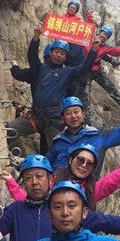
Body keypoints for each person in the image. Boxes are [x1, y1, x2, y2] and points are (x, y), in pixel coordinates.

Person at [2, 141, 120, 214]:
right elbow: (29, 199)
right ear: (71, 160)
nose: (83, 165)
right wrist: (10, 181)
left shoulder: (90, 191)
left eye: (89, 164)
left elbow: (117, 177)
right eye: (80, 160)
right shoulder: (54, 180)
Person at [7, 26, 99, 155]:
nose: (59, 55)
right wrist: (35, 38)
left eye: (62, 53)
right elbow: (32, 57)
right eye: (56, 52)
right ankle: (20, 160)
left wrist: (93, 50)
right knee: (11, 129)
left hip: (54, 121)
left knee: (55, 153)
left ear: (65, 57)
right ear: (51, 52)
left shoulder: (67, 72)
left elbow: (84, 68)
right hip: (36, 116)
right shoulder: (40, 68)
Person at [76, 25, 120, 115]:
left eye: (106, 36)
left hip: (97, 71)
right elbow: (77, 39)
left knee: (110, 87)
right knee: (84, 95)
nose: (104, 36)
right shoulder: (88, 40)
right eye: (103, 33)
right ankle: (86, 117)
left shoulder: (105, 48)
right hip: (85, 71)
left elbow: (119, 51)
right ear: (99, 32)